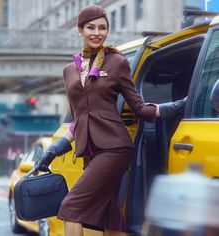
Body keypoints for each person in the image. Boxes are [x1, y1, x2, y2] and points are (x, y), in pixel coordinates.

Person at [35, 4, 186, 236]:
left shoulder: (116, 62)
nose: (97, 33)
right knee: (110, 211)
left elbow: (141, 109)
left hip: (114, 147)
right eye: (91, 27)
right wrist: (53, 150)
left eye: (102, 28)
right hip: (89, 150)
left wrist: (182, 104)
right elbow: (78, 117)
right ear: (80, 30)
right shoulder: (69, 71)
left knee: (71, 207)